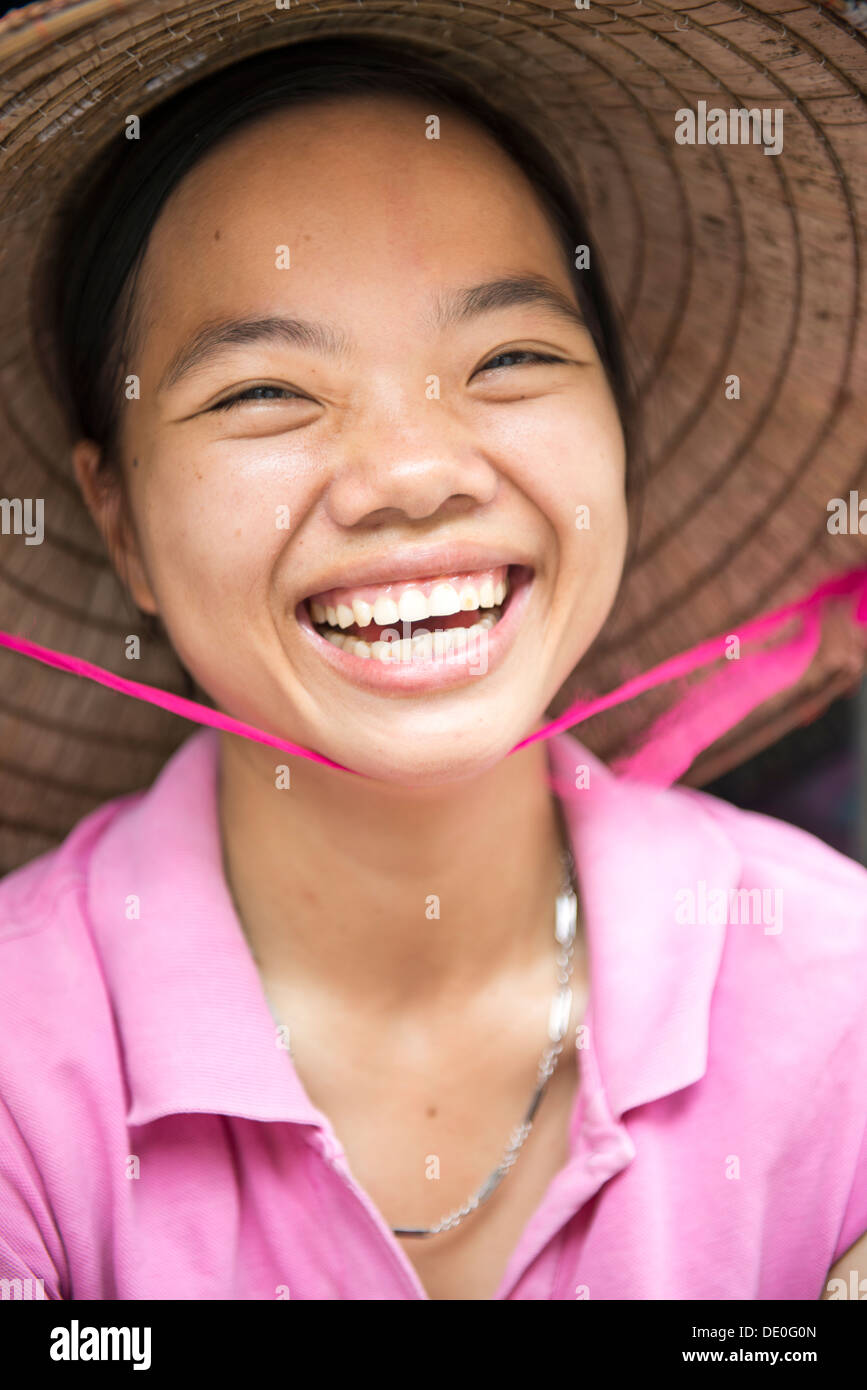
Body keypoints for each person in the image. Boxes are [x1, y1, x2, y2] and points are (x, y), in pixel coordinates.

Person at [0, 5, 865, 1302]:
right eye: (263, 393)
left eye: (512, 357)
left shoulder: (841, 992)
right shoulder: (22, 1058)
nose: (411, 476)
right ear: (117, 515)